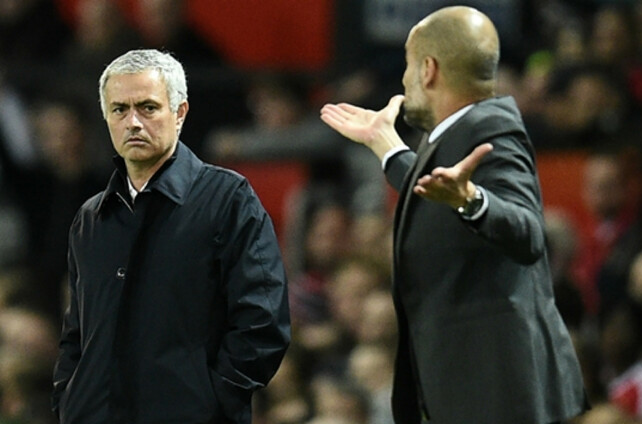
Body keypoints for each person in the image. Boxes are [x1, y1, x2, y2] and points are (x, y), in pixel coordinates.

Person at [320, 6, 588, 424]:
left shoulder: (492, 130)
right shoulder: (457, 133)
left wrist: (472, 200)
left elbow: (528, 234)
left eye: (408, 66)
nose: (404, 80)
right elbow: (436, 191)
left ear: (428, 69)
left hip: (498, 390)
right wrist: (387, 146)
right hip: (476, 387)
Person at [51, 49, 291, 424]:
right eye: (119, 109)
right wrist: (69, 400)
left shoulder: (227, 199)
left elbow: (263, 323)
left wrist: (211, 406)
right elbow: (76, 335)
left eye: (147, 108)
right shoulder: (90, 219)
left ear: (180, 113)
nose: (133, 122)